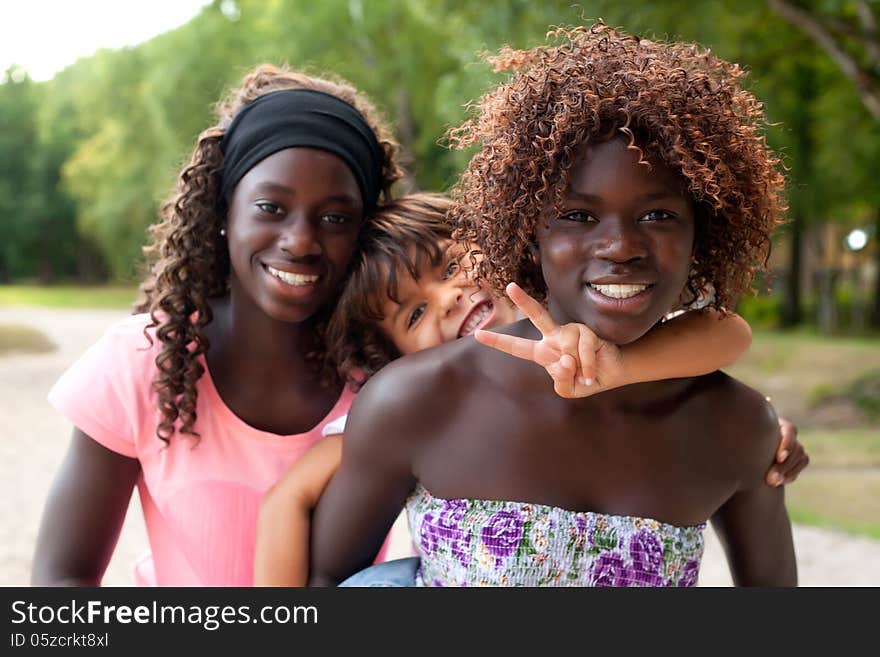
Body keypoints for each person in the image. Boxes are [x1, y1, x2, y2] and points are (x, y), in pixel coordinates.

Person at [307, 23, 799, 587]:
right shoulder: (413, 400)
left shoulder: (736, 426)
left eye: (658, 215)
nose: (620, 247)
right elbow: (327, 585)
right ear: (526, 234)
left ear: (702, 234)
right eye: (578, 216)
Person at [255, 193, 806, 586]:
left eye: (451, 265)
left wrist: (625, 368)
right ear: (395, 358)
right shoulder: (409, 403)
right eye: (416, 312)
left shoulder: (623, 327)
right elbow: (294, 509)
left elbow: (726, 330)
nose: (447, 298)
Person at [30, 64, 404, 586]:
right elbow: (59, 583)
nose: (300, 240)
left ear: (365, 231)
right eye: (271, 207)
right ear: (225, 210)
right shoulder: (146, 362)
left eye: (335, 218)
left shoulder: (387, 370)